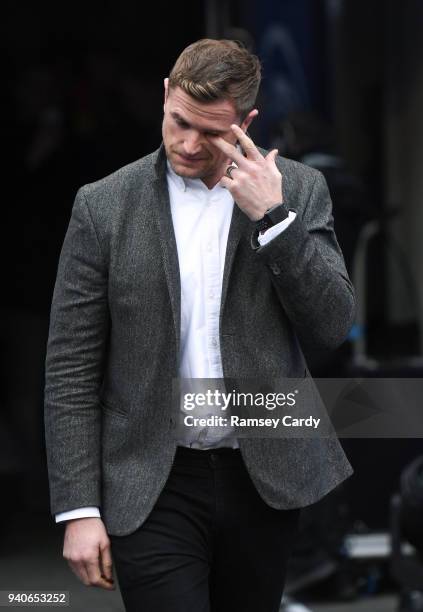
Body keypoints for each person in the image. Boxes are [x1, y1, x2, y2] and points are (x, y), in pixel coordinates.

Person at [44, 39, 355, 612]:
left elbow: (332, 326)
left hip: (262, 472)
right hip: (151, 475)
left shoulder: (298, 191)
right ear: (165, 95)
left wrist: (274, 220)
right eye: (178, 121)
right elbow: (71, 366)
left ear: (246, 122)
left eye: (211, 132)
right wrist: (79, 508)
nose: (188, 144)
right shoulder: (103, 205)